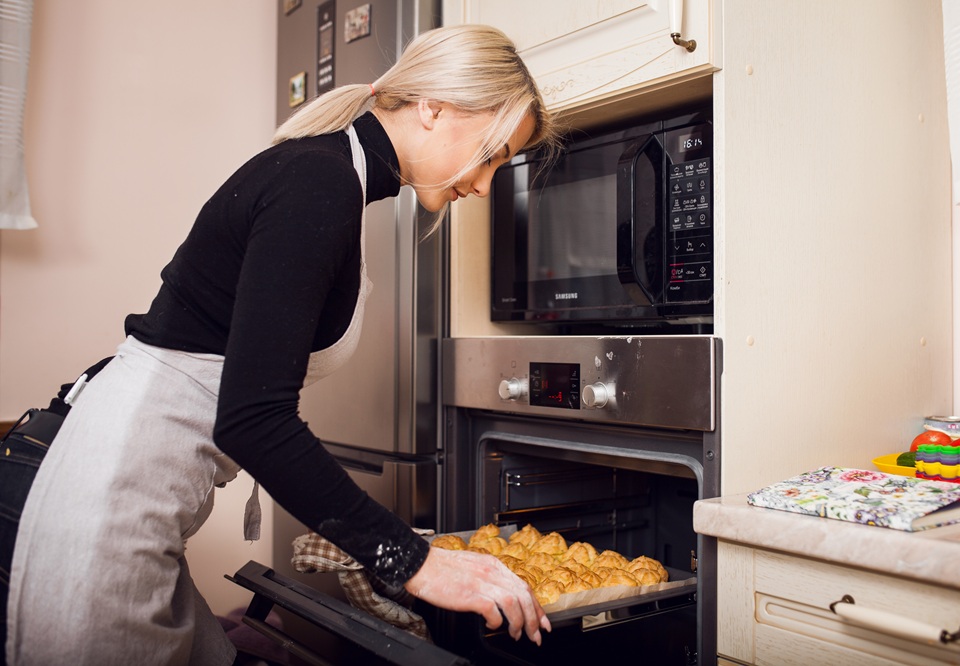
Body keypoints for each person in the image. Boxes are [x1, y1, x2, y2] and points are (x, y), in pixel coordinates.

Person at [0, 23, 560, 665]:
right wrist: (414, 562)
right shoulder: (319, 181)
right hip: (108, 499)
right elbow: (253, 420)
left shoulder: (330, 174)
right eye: (490, 154)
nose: (485, 185)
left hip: (128, 487)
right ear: (433, 108)